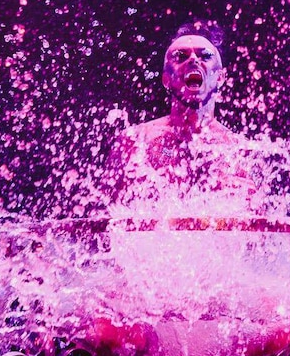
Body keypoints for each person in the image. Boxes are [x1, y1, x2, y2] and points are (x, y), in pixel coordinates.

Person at [101, 19, 272, 214]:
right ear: (166, 79)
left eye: (205, 56)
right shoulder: (135, 142)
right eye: (180, 56)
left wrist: (246, 207)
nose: (193, 60)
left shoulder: (240, 152)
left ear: (221, 78)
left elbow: (260, 237)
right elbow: (101, 225)